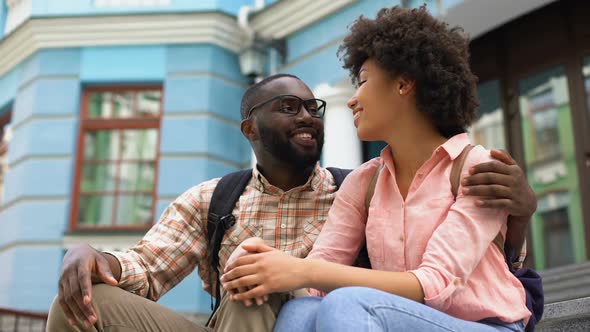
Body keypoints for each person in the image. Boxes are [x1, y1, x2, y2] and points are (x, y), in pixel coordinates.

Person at [47, 71, 535, 332]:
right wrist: (96, 257)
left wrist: (519, 218)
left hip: (288, 319)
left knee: (264, 291)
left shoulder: (357, 189)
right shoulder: (213, 199)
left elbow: (461, 263)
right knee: (79, 302)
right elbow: (147, 268)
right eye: (288, 108)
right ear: (250, 129)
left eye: (312, 107)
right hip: (223, 328)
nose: (309, 116)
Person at [221, 6, 533, 332]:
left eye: (364, 82)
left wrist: (301, 271)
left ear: (403, 84)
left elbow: (434, 284)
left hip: (484, 326)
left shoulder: (475, 167)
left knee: (347, 303)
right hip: (392, 320)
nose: (352, 100)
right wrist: (265, 261)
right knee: (301, 310)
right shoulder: (363, 182)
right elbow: (316, 275)